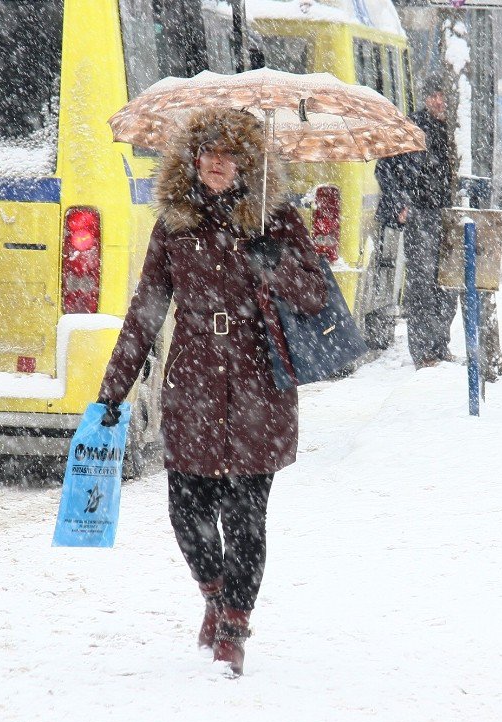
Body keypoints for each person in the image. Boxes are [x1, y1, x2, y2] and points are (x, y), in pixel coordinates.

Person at [96, 108, 327, 677]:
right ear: (193, 159)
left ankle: (234, 628)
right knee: (186, 512)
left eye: (229, 154)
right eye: (208, 152)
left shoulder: (275, 220)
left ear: (248, 162)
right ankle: (213, 593)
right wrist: (113, 390)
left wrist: (269, 260)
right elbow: (147, 309)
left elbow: (316, 295)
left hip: (256, 386)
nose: (218, 162)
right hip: (193, 380)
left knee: (247, 519)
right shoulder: (174, 223)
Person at [375, 73, 459, 370]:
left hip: (448, 215)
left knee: (448, 284)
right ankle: (423, 351)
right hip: (421, 214)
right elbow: (384, 168)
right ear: (425, 98)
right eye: (434, 95)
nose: (439, 101)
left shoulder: (454, 129)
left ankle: (439, 344)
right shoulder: (410, 128)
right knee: (422, 285)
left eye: (443, 95)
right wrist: (400, 203)